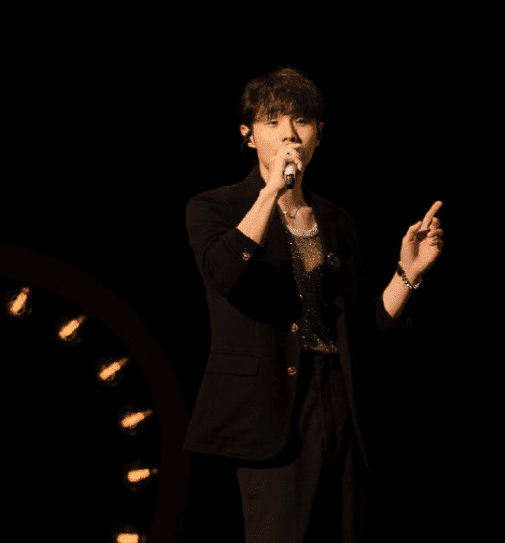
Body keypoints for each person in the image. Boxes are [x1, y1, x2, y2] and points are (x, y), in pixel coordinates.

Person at [182, 66, 444, 542]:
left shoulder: (335, 219)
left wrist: (408, 274)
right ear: (248, 136)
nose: (289, 134)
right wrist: (271, 193)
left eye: (301, 121)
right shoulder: (215, 206)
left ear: (318, 136)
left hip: (340, 397)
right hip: (275, 406)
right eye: (273, 121)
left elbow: (361, 325)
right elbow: (223, 273)